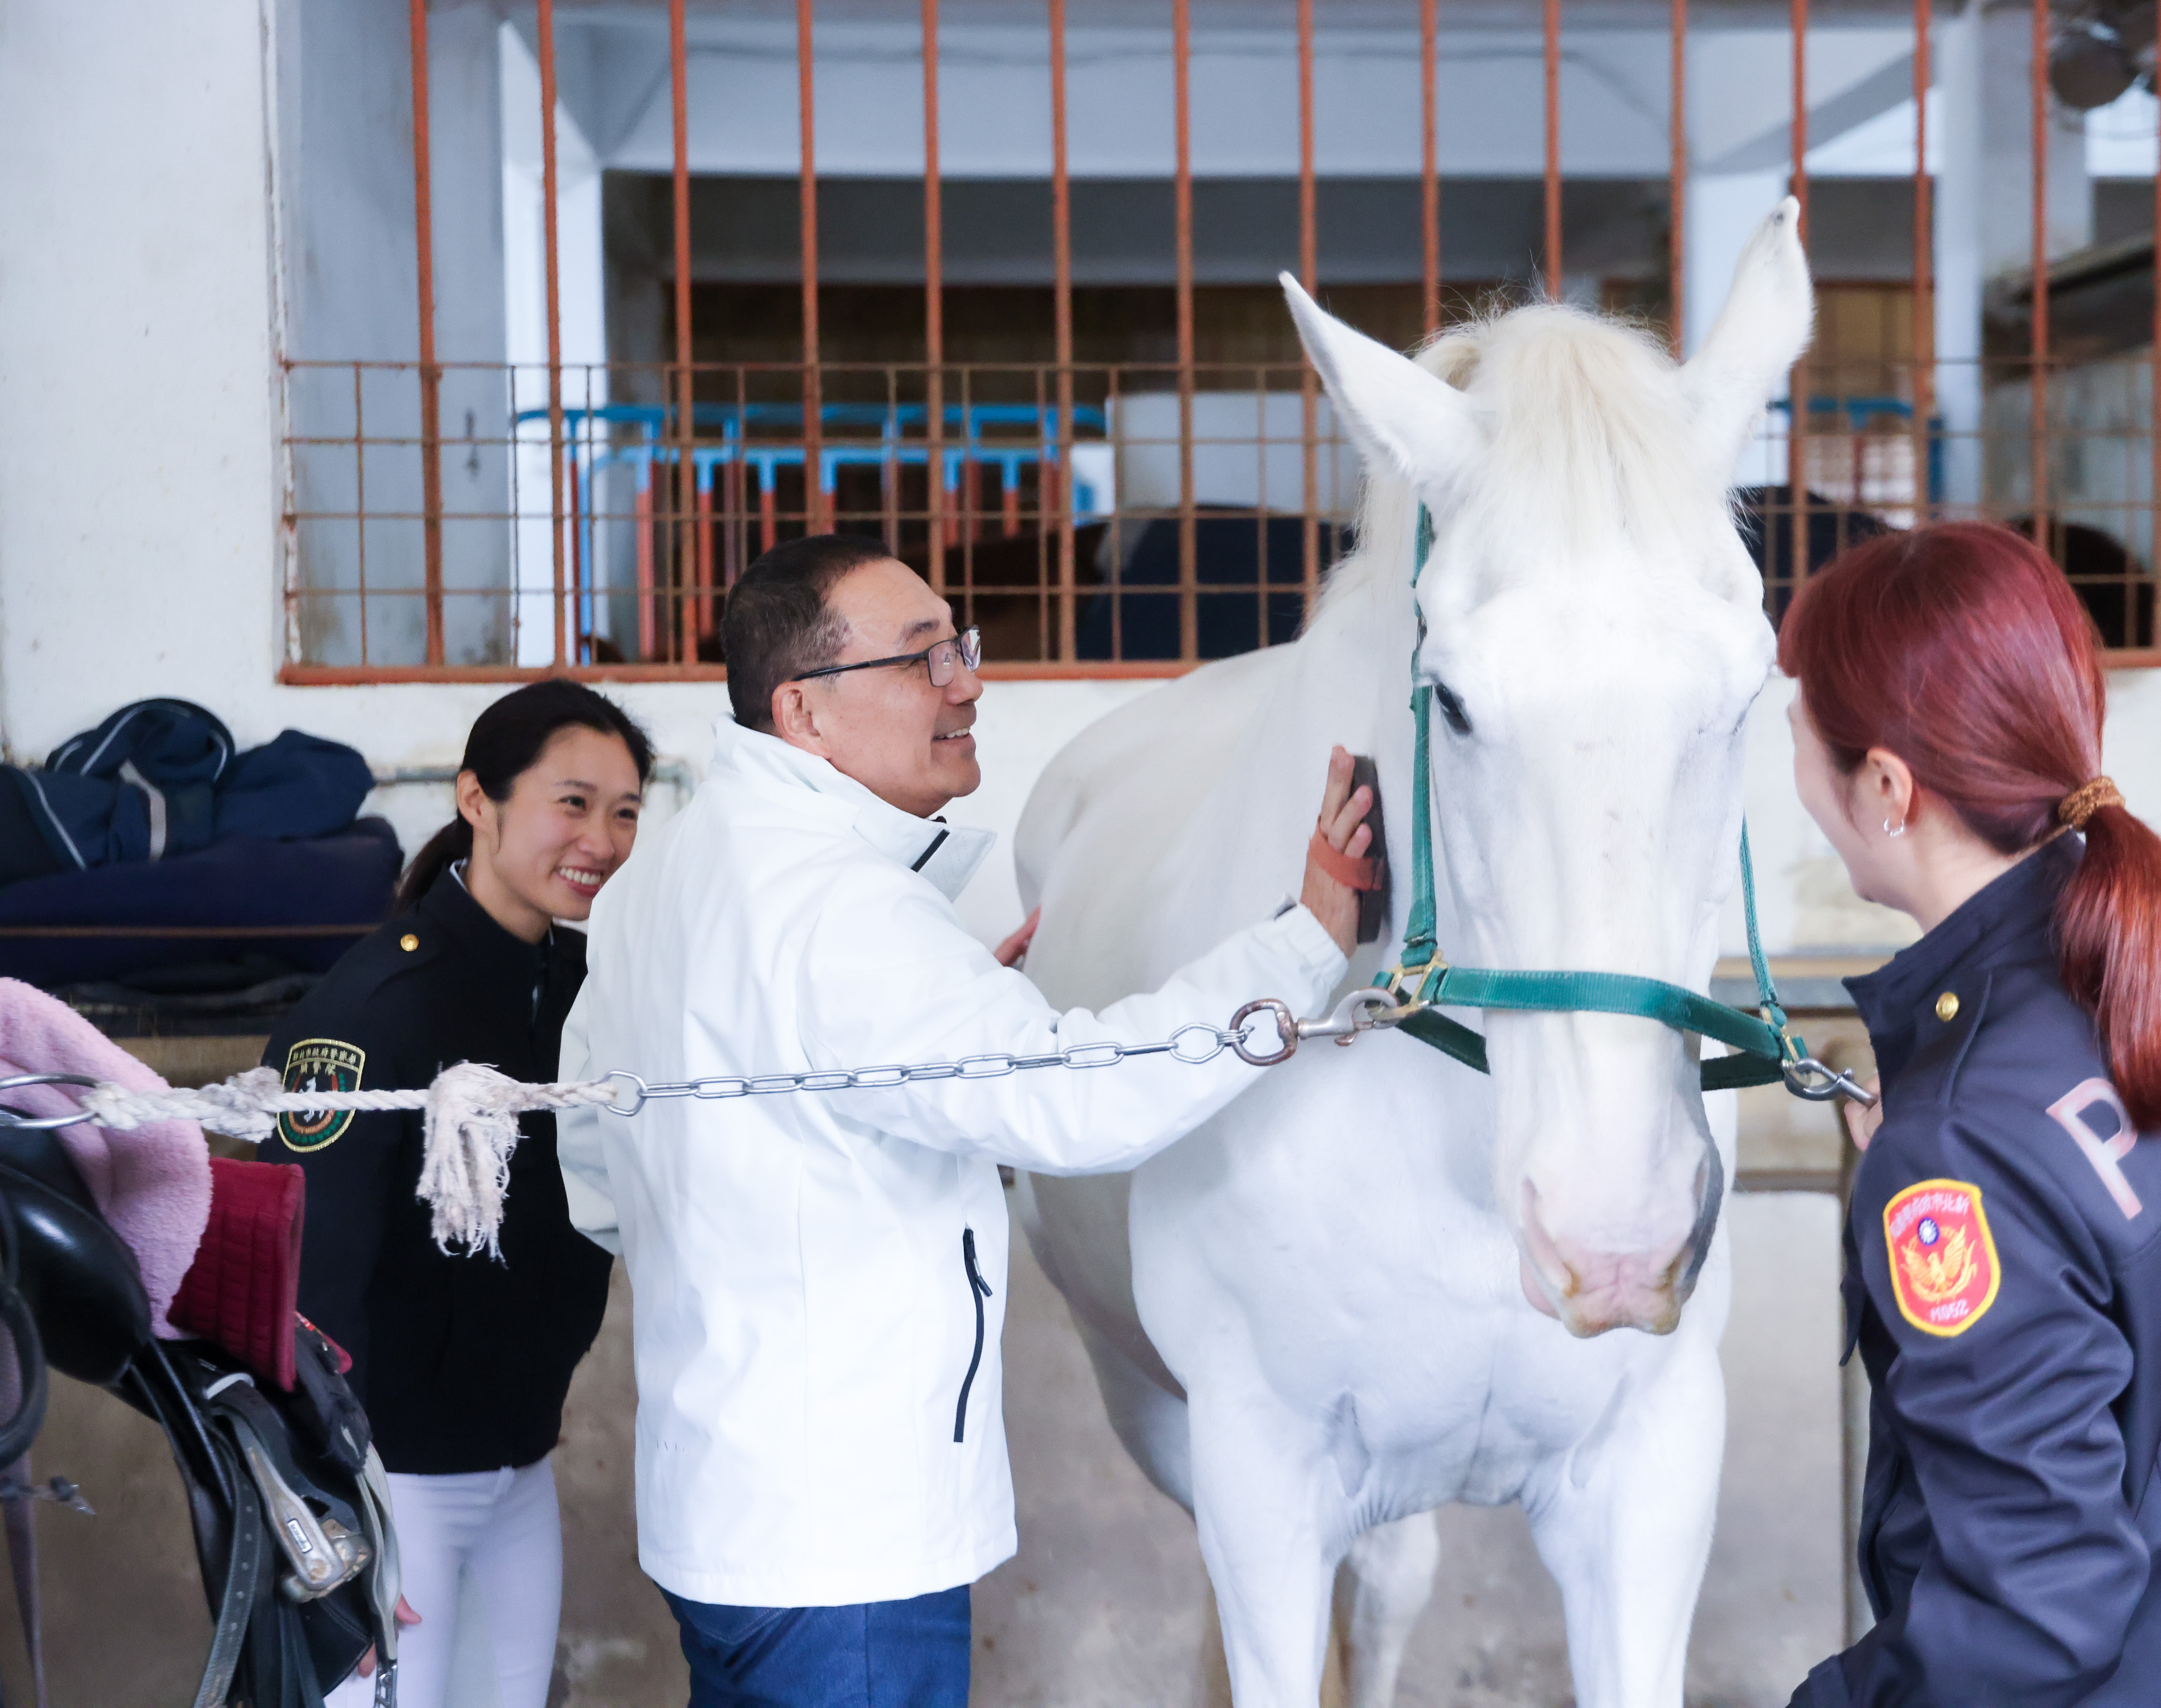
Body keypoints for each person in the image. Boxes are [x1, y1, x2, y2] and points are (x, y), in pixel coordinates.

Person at [557, 533, 1373, 1708]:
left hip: (720, 1510)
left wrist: (913, 1059)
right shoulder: (841, 914)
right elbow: (1078, 1097)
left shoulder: (668, 878)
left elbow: (594, 1160)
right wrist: (1304, 945)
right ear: (805, 713)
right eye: (919, 659)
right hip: (850, 1543)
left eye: (961, 647)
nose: (969, 683)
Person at [1774, 523, 2161, 1707]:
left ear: (1887, 788)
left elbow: (2037, 1609)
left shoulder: (1957, 1152)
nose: (1793, 774)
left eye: (1798, 738)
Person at [262, 679, 655, 1708]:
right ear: (478, 800)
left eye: (625, 811)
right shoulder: (375, 1005)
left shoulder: (584, 988)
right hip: (390, 1490)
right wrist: (332, 1516)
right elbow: (301, 1277)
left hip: (518, 1466)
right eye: (572, 803)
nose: (602, 840)